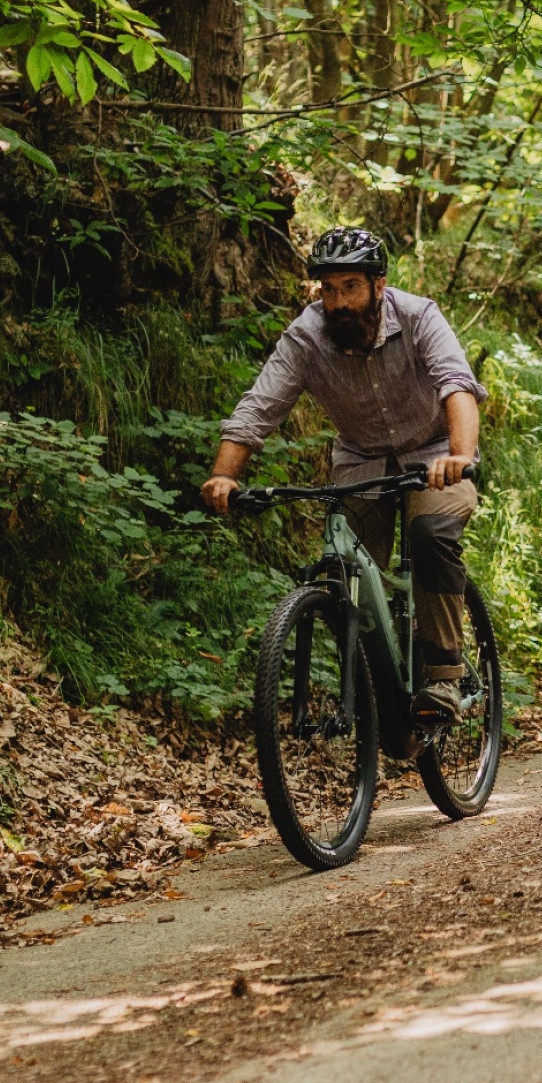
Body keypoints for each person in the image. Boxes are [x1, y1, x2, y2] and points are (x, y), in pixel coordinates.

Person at [201, 228, 487, 718]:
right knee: (345, 573)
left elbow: (457, 385)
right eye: (328, 289)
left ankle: (444, 675)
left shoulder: (418, 317)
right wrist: (224, 474)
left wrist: (459, 456)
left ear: (379, 285)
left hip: (436, 456)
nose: (338, 303)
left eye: (351, 287)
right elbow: (259, 406)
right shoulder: (308, 334)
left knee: (430, 533)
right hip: (361, 462)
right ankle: (379, 695)